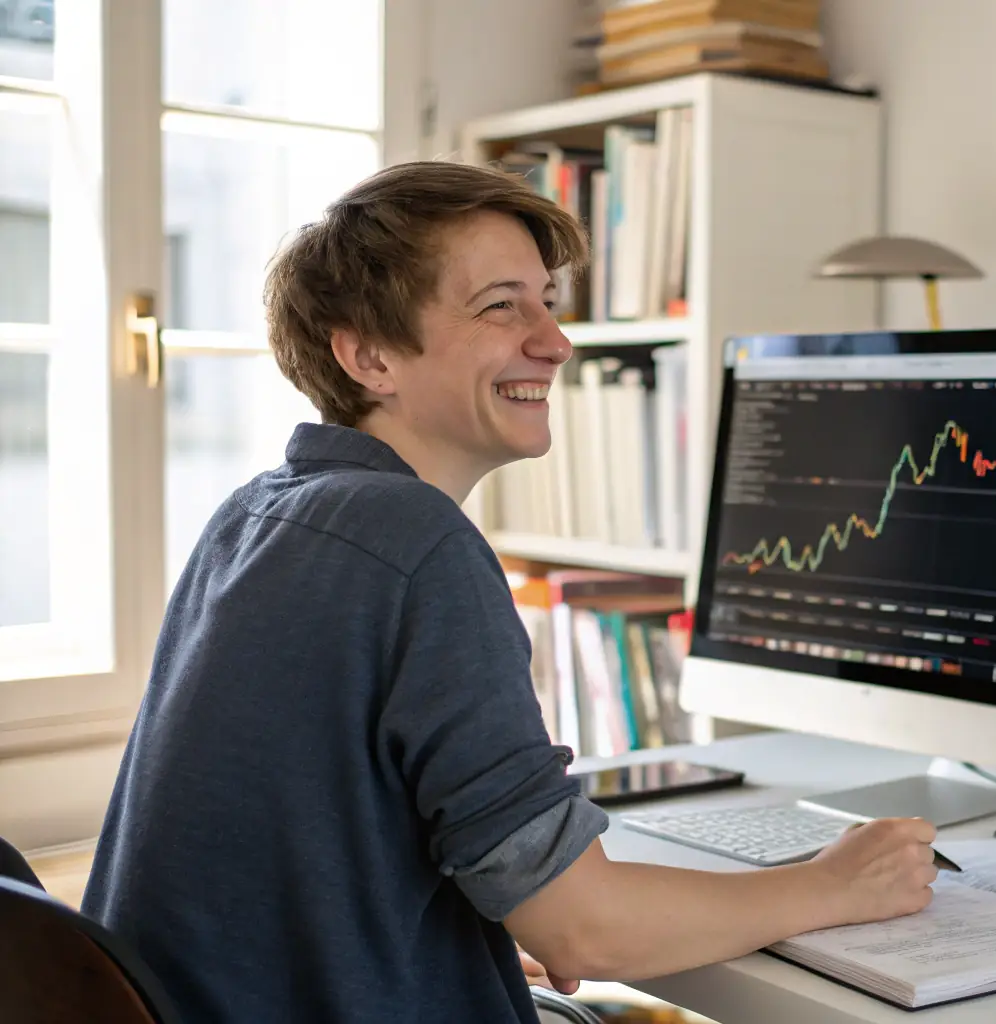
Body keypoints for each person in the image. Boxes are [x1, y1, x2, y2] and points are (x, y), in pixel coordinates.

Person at [81, 160, 939, 1023]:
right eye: (501, 306)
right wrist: (831, 885)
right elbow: (586, 934)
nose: (555, 341)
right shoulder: (415, 543)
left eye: (548, 302)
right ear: (368, 354)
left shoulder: (259, 512)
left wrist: (461, 924)